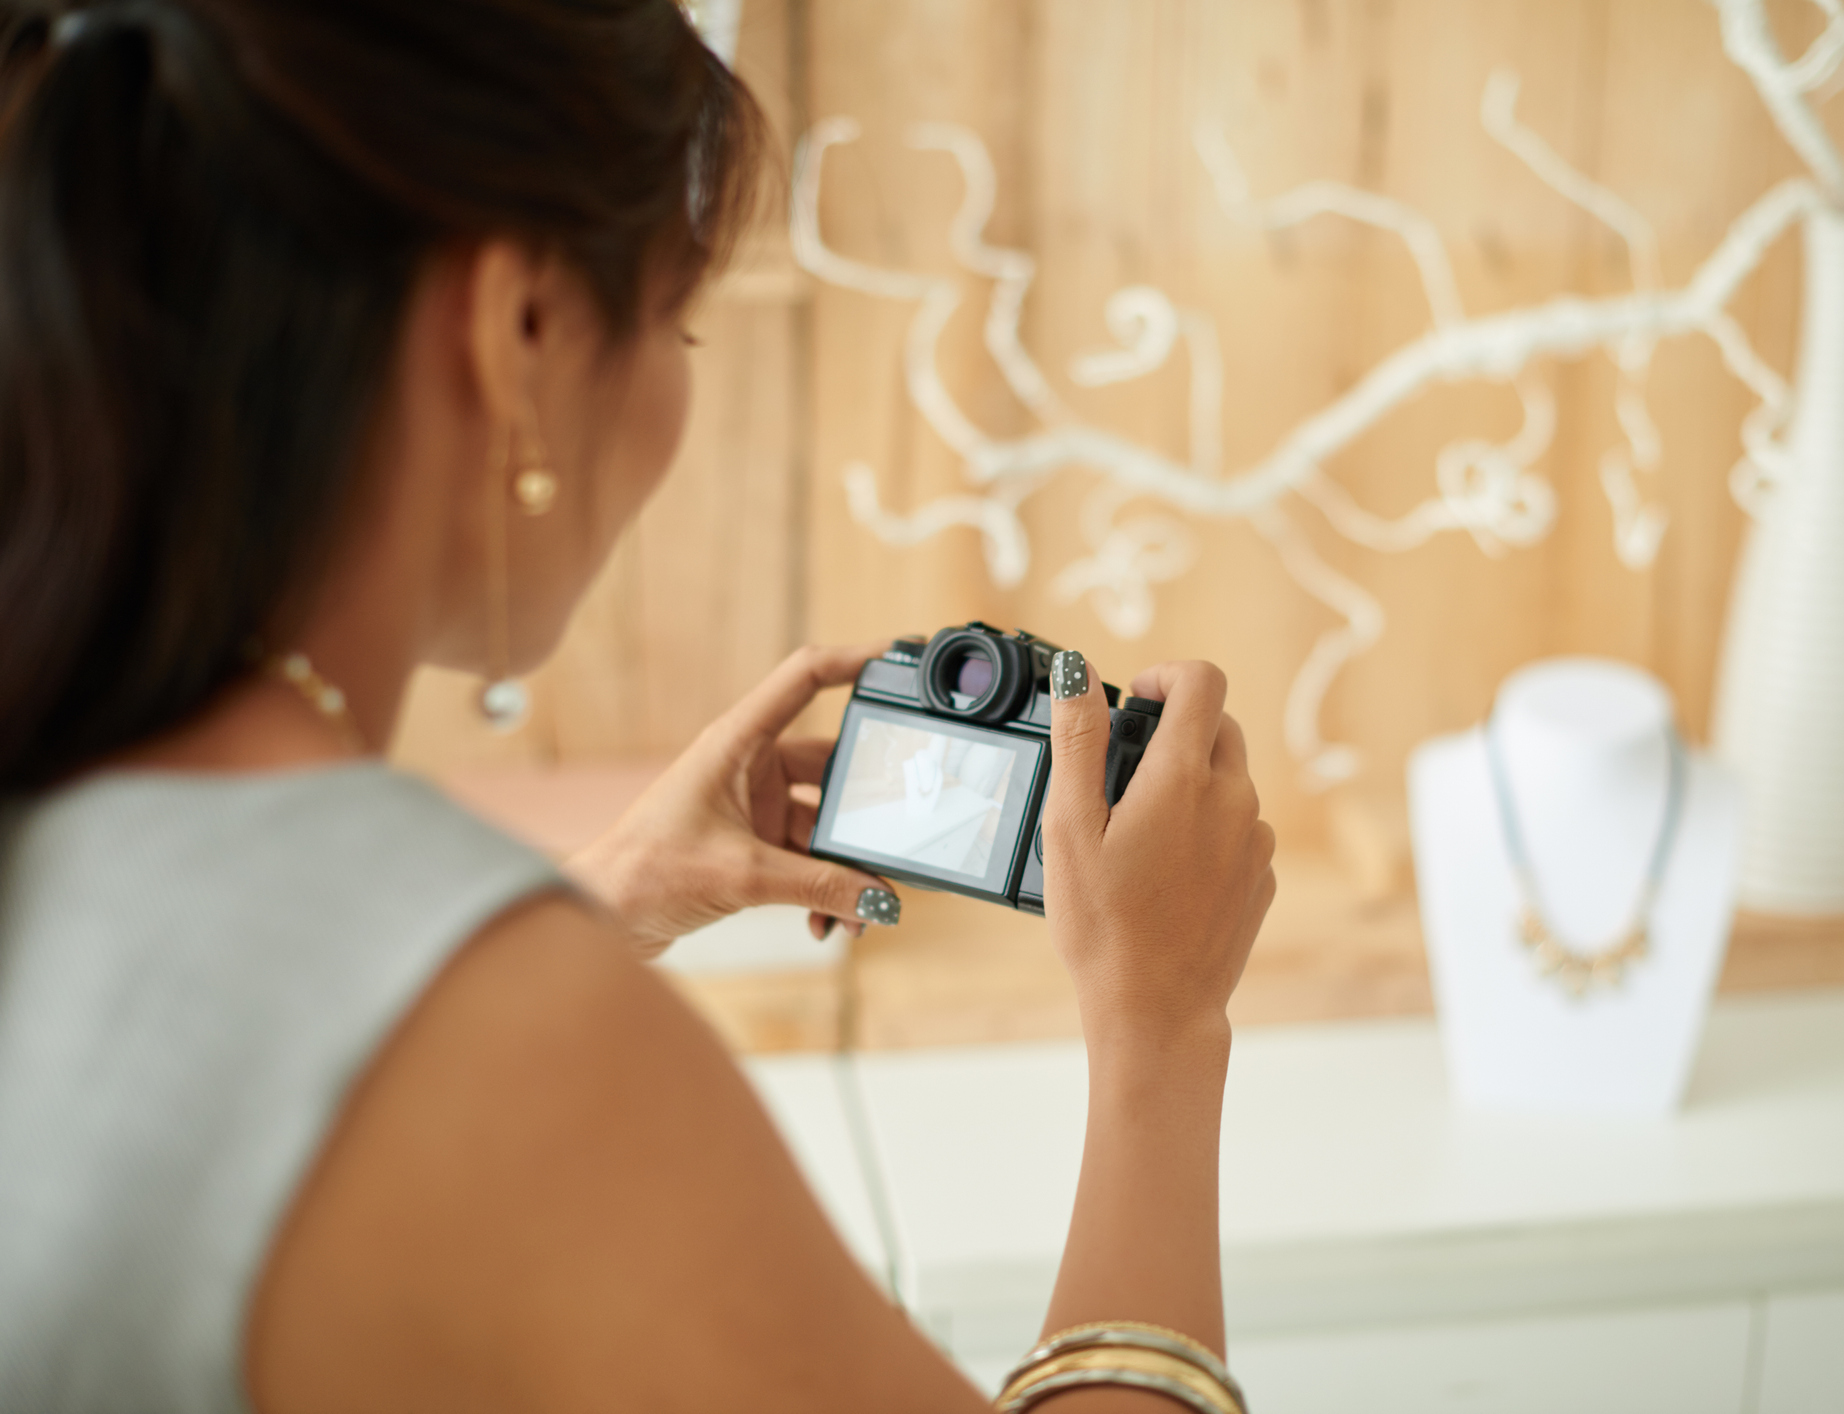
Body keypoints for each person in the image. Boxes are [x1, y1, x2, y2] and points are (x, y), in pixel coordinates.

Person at [0, 2, 1277, 1411]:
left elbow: (219, 1092)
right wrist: (1163, 1031)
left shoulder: (76, 776)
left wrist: (602, 901)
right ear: (524, 325)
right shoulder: (521, 1034)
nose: (675, 379)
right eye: (679, 322)